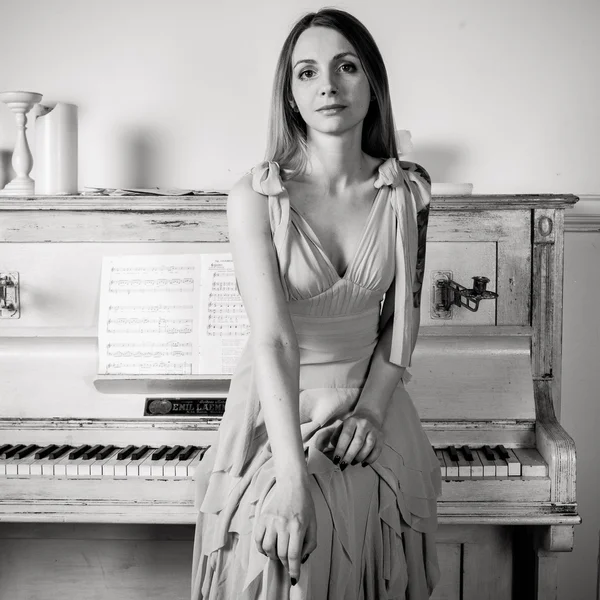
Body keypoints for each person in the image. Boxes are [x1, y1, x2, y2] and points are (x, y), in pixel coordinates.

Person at [191, 7, 441, 599]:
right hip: (278, 407)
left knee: (366, 505)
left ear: (372, 83)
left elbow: (401, 325)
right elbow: (274, 341)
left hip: (371, 401)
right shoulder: (255, 197)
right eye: (307, 72)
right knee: (279, 534)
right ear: (291, 94)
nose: (327, 84)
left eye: (345, 66)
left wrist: (373, 412)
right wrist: (291, 476)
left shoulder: (407, 192)